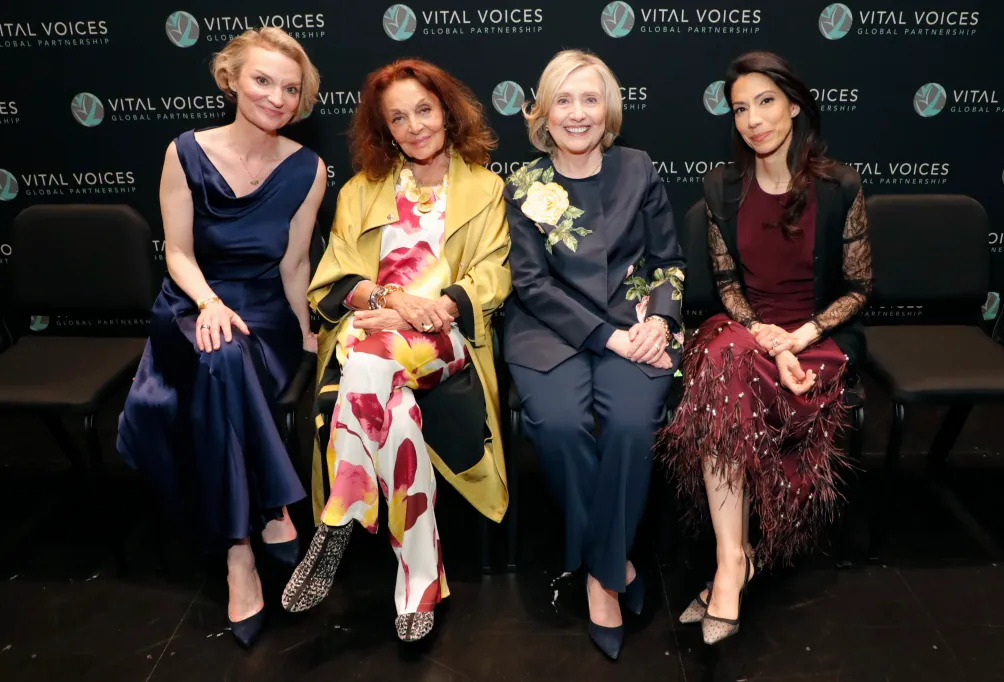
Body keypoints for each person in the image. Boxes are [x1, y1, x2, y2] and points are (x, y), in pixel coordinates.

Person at [280, 58, 512, 643]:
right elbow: (330, 281)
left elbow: (492, 275)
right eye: (398, 118)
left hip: (445, 335)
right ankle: (418, 584)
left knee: (371, 361)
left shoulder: (484, 189)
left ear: (446, 111)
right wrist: (388, 300)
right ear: (384, 129)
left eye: (424, 111)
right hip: (374, 337)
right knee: (395, 406)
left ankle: (339, 514)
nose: (415, 127)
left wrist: (436, 307)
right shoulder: (361, 192)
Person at [116, 27, 326, 648]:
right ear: (231, 79)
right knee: (218, 348)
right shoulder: (185, 151)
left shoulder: (308, 169)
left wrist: (308, 333)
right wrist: (206, 302)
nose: (276, 97)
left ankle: (250, 528)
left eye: (291, 89)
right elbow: (177, 252)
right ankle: (256, 533)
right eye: (262, 80)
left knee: (231, 354)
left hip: (265, 311)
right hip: (189, 304)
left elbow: (293, 265)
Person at [660, 50, 873, 644]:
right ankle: (734, 559)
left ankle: (735, 563)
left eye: (765, 102)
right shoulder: (721, 188)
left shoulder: (839, 185)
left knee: (730, 376)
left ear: (794, 105)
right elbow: (728, 286)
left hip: (819, 335)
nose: (753, 119)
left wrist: (797, 340)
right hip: (749, 330)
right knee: (724, 361)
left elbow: (859, 288)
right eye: (740, 109)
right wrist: (766, 338)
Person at [502, 49, 685, 660]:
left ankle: (599, 575)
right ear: (542, 111)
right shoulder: (525, 184)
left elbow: (669, 261)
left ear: (607, 107)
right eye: (564, 99)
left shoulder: (639, 168)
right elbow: (531, 284)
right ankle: (614, 567)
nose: (577, 113)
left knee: (633, 426)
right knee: (556, 426)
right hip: (549, 331)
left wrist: (660, 318)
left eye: (590, 98)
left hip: (636, 324)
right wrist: (608, 337)